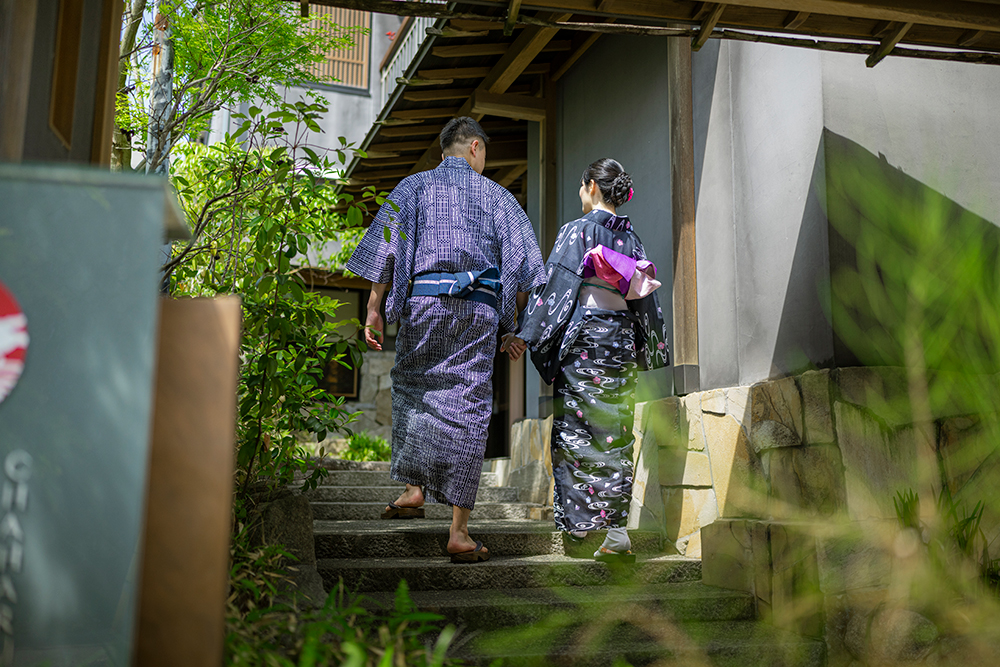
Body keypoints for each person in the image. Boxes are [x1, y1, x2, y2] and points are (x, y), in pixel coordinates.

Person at [345, 117, 545, 563]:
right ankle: (458, 531)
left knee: (415, 391)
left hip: (423, 307)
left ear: (443, 152)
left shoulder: (413, 187)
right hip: (476, 311)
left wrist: (374, 308)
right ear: (475, 148)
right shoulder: (499, 197)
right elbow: (528, 269)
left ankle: (415, 490)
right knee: (467, 403)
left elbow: (385, 249)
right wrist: (511, 327)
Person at [503, 158, 669, 562]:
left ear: (592, 186)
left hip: (586, 344)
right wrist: (655, 350)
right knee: (616, 433)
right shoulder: (633, 240)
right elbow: (647, 301)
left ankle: (583, 529)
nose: (581, 192)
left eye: (582, 186)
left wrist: (526, 333)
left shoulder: (576, 231)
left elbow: (556, 285)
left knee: (577, 433)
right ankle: (615, 533)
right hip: (621, 344)